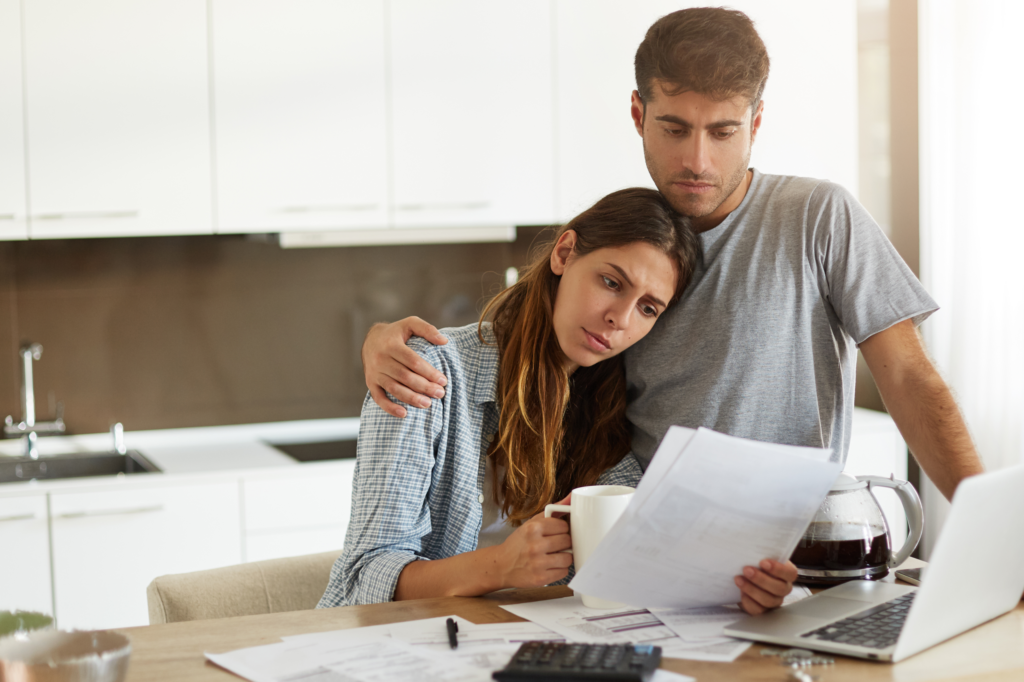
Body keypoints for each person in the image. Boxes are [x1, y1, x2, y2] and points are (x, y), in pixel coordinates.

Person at [358, 7, 985, 614]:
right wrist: (390, 344)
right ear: (638, 113)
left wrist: (989, 536)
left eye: (723, 131)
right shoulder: (598, 301)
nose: (697, 162)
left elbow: (908, 377)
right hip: (648, 577)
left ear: (756, 121)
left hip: (796, 567)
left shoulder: (819, 217)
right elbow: (517, 342)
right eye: (675, 128)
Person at [319, 188, 704, 607]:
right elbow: (364, 577)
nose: (620, 319)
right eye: (611, 282)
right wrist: (502, 565)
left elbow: (637, 556)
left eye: (648, 309)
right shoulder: (425, 373)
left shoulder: (612, 405)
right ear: (565, 253)